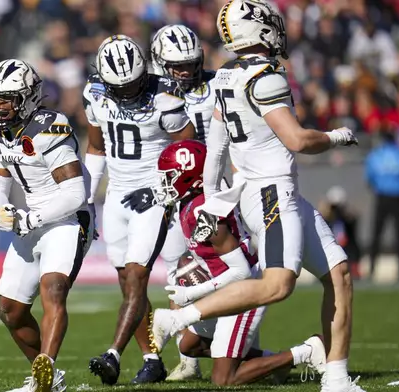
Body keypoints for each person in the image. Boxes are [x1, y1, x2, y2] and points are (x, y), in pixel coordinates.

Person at [150, 2, 364, 392]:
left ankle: (336, 379)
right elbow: (297, 139)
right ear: (259, 29)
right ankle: (178, 319)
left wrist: (213, 198)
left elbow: (214, 148)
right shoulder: (266, 78)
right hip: (271, 192)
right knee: (277, 284)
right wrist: (337, 136)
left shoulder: (227, 76)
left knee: (339, 273)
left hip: (262, 191)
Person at [128, 139, 327, 385]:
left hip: (245, 291)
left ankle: (305, 352)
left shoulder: (205, 212)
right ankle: (274, 363)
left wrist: (193, 291)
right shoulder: (190, 203)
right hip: (227, 285)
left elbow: (241, 271)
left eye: (170, 176)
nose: (164, 183)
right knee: (191, 344)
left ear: (190, 177)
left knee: (224, 378)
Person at [82, 34, 195, 385]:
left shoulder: (165, 97)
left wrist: (164, 189)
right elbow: (96, 147)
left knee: (137, 276)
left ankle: (113, 353)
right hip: (116, 196)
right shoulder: (95, 94)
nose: (129, 92)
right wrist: (86, 199)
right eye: (121, 86)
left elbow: (192, 151)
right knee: (127, 282)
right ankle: (152, 360)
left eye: (132, 83)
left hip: (154, 196)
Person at [0, 59, 94, 392]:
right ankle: (48, 381)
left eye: (8, 99)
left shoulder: (48, 127)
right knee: (10, 311)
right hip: (31, 219)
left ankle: (46, 368)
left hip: (67, 220)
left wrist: (29, 218)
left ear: (29, 97)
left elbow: (76, 194)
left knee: (53, 289)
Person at [149, 23, 217, 381]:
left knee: (232, 272)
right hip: (181, 193)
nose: (186, 71)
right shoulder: (153, 94)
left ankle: (241, 348)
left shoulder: (221, 84)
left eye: (191, 63)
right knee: (176, 272)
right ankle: (188, 358)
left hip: (220, 189)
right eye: (177, 66)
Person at [365, 131, 399, 281]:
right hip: (398, 197)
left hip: (382, 196)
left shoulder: (375, 155)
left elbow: (369, 178)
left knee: (376, 234)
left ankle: (372, 269)